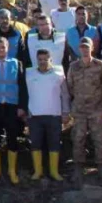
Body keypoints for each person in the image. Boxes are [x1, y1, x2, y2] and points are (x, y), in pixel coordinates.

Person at [67, 38, 102, 187]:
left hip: (96, 109)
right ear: (79, 49)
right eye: (82, 47)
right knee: (78, 138)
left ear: (92, 48)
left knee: (99, 138)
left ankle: (101, 166)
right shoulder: (73, 67)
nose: (85, 50)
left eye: (87, 47)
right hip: (79, 110)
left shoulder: (100, 65)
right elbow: (70, 86)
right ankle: (78, 168)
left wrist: (100, 104)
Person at [0, 37, 28, 184]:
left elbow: (22, 86)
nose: (0, 50)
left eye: (3, 47)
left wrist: (22, 106)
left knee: (12, 138)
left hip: (12, 106)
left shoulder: (16, 63)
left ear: (8, 48)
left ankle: (12, 170)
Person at [25, 49, 71, 181]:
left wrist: (66, 112)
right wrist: (25, 110)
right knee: (35, 143)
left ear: (51, 60)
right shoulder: (29, 73)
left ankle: (54, 172)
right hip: (34, 115)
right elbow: (25, 93)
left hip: (54, 115)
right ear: (36, 60)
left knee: (54, 143)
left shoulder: (59, 74)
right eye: (40, 59)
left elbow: (65, 95)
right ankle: (38, 171)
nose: (42, 62)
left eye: (45, 59)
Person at [63, 5, 98, 71]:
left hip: (91, 65)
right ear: (75, 16)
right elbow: (68, 49)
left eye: (83, 14)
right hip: (75, 65)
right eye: (79, 14)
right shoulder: (69, 32)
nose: (81, 16)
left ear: (87, 15)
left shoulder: (94, 30)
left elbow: (96, 49)